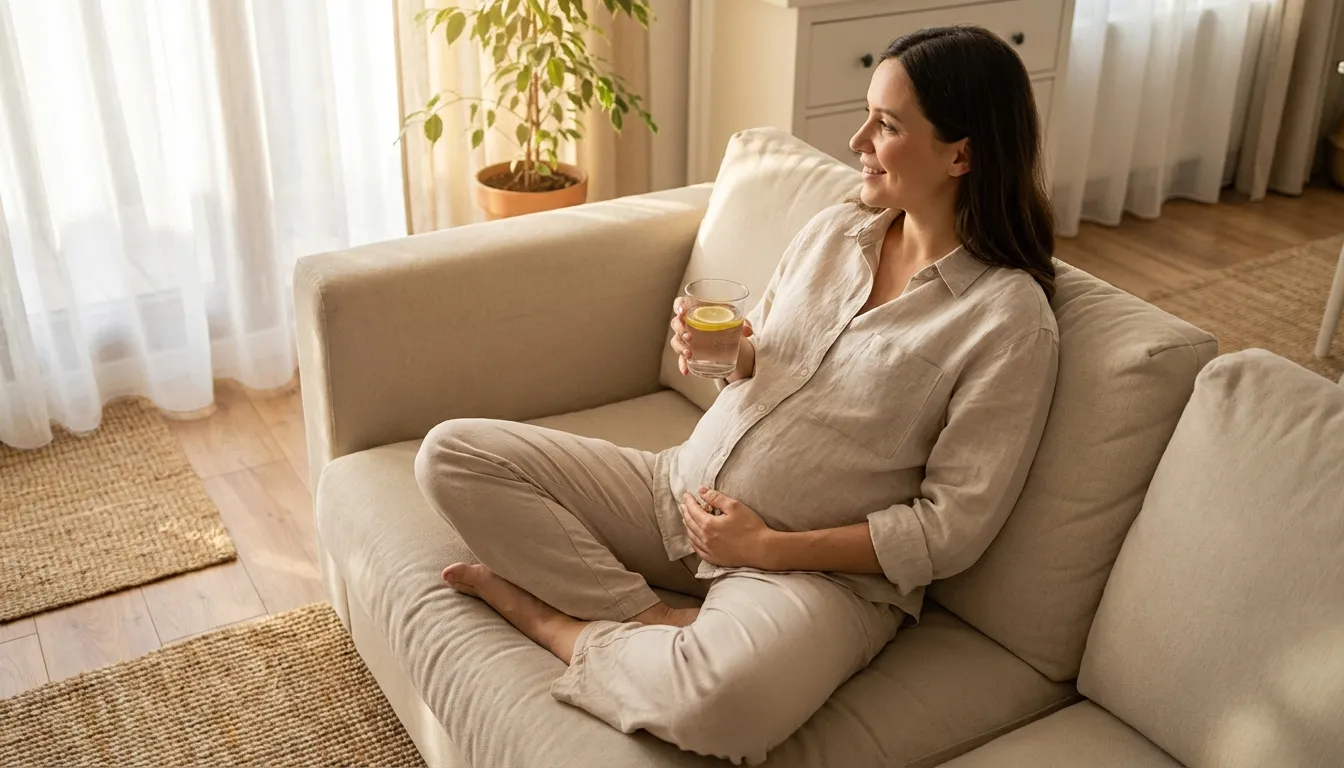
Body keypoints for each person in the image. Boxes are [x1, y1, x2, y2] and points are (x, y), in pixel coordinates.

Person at [414, 24, 1059, 766]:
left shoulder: (1009, 322)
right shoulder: (834, 231)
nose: (857, 139)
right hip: (676, 490)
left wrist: (767, 549)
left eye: (885, 124)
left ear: (962, 153)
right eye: (867, 114)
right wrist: (733, 354)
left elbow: (949, 529)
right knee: (452, 454)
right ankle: (655, 619)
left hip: (817, 578)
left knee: (723, 705)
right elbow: (770, 361)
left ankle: (554, 624)